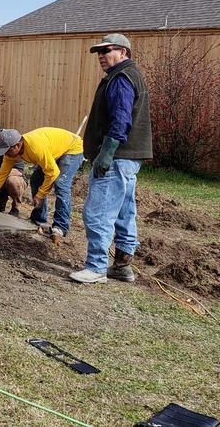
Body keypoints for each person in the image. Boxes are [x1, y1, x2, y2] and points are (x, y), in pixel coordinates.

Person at [70, 33, 153, 284]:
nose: (101, 56)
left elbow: (121, 118)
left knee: (98, 212)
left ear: (123, 52)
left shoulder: (121, 78)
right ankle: (122, 266)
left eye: (106, 51)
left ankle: (96, 267)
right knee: (124, 212)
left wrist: (105, 154)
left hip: (116, 157)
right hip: (128, 159)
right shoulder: (130, 75)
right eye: (99, 52)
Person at [0, 127, 83, 241]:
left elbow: (53, 173)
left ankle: (60, 226)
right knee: (36, 180)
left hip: (71, 148)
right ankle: (38, 219)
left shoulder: (35, 148)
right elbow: (2, 174)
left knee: (61, 184)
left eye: (7, 151)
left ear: (17, 145)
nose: (6, 154)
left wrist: (40, 195)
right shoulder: (10, 154)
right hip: (52, 151)